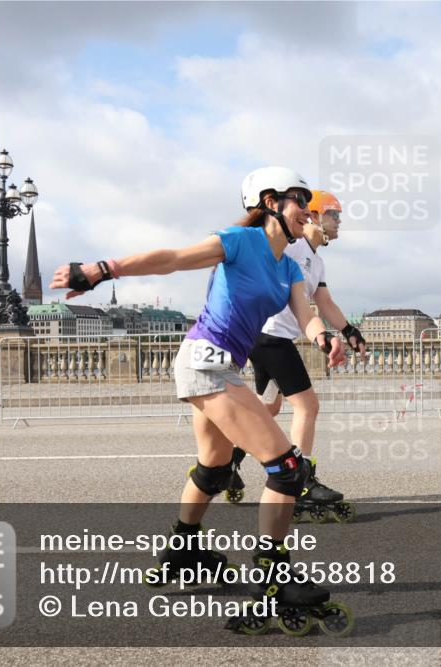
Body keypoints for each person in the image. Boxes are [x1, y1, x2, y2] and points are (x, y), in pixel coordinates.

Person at [48, 167, 353, 637]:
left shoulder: (290, 266)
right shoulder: (237, 241)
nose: (306, 210)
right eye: (298, 199)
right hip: (204, 362)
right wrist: (101, 270)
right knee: (287, 469)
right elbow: (171, 259)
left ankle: (183, 549)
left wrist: (324, 338)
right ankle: (273, 580)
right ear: (270, 202)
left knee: (213, 467)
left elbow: (306, 314)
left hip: (220, 367)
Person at [229, 190, 367, 524]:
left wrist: (350, 330)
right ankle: (301, 483)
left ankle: (226, 463)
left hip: (271, 337)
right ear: (314, 215)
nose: (339, 223)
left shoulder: (316, 259)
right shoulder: (292, 247)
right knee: (308, 406)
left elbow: (325, 302)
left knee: (270, 407)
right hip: (270, 335)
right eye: (334, 215)